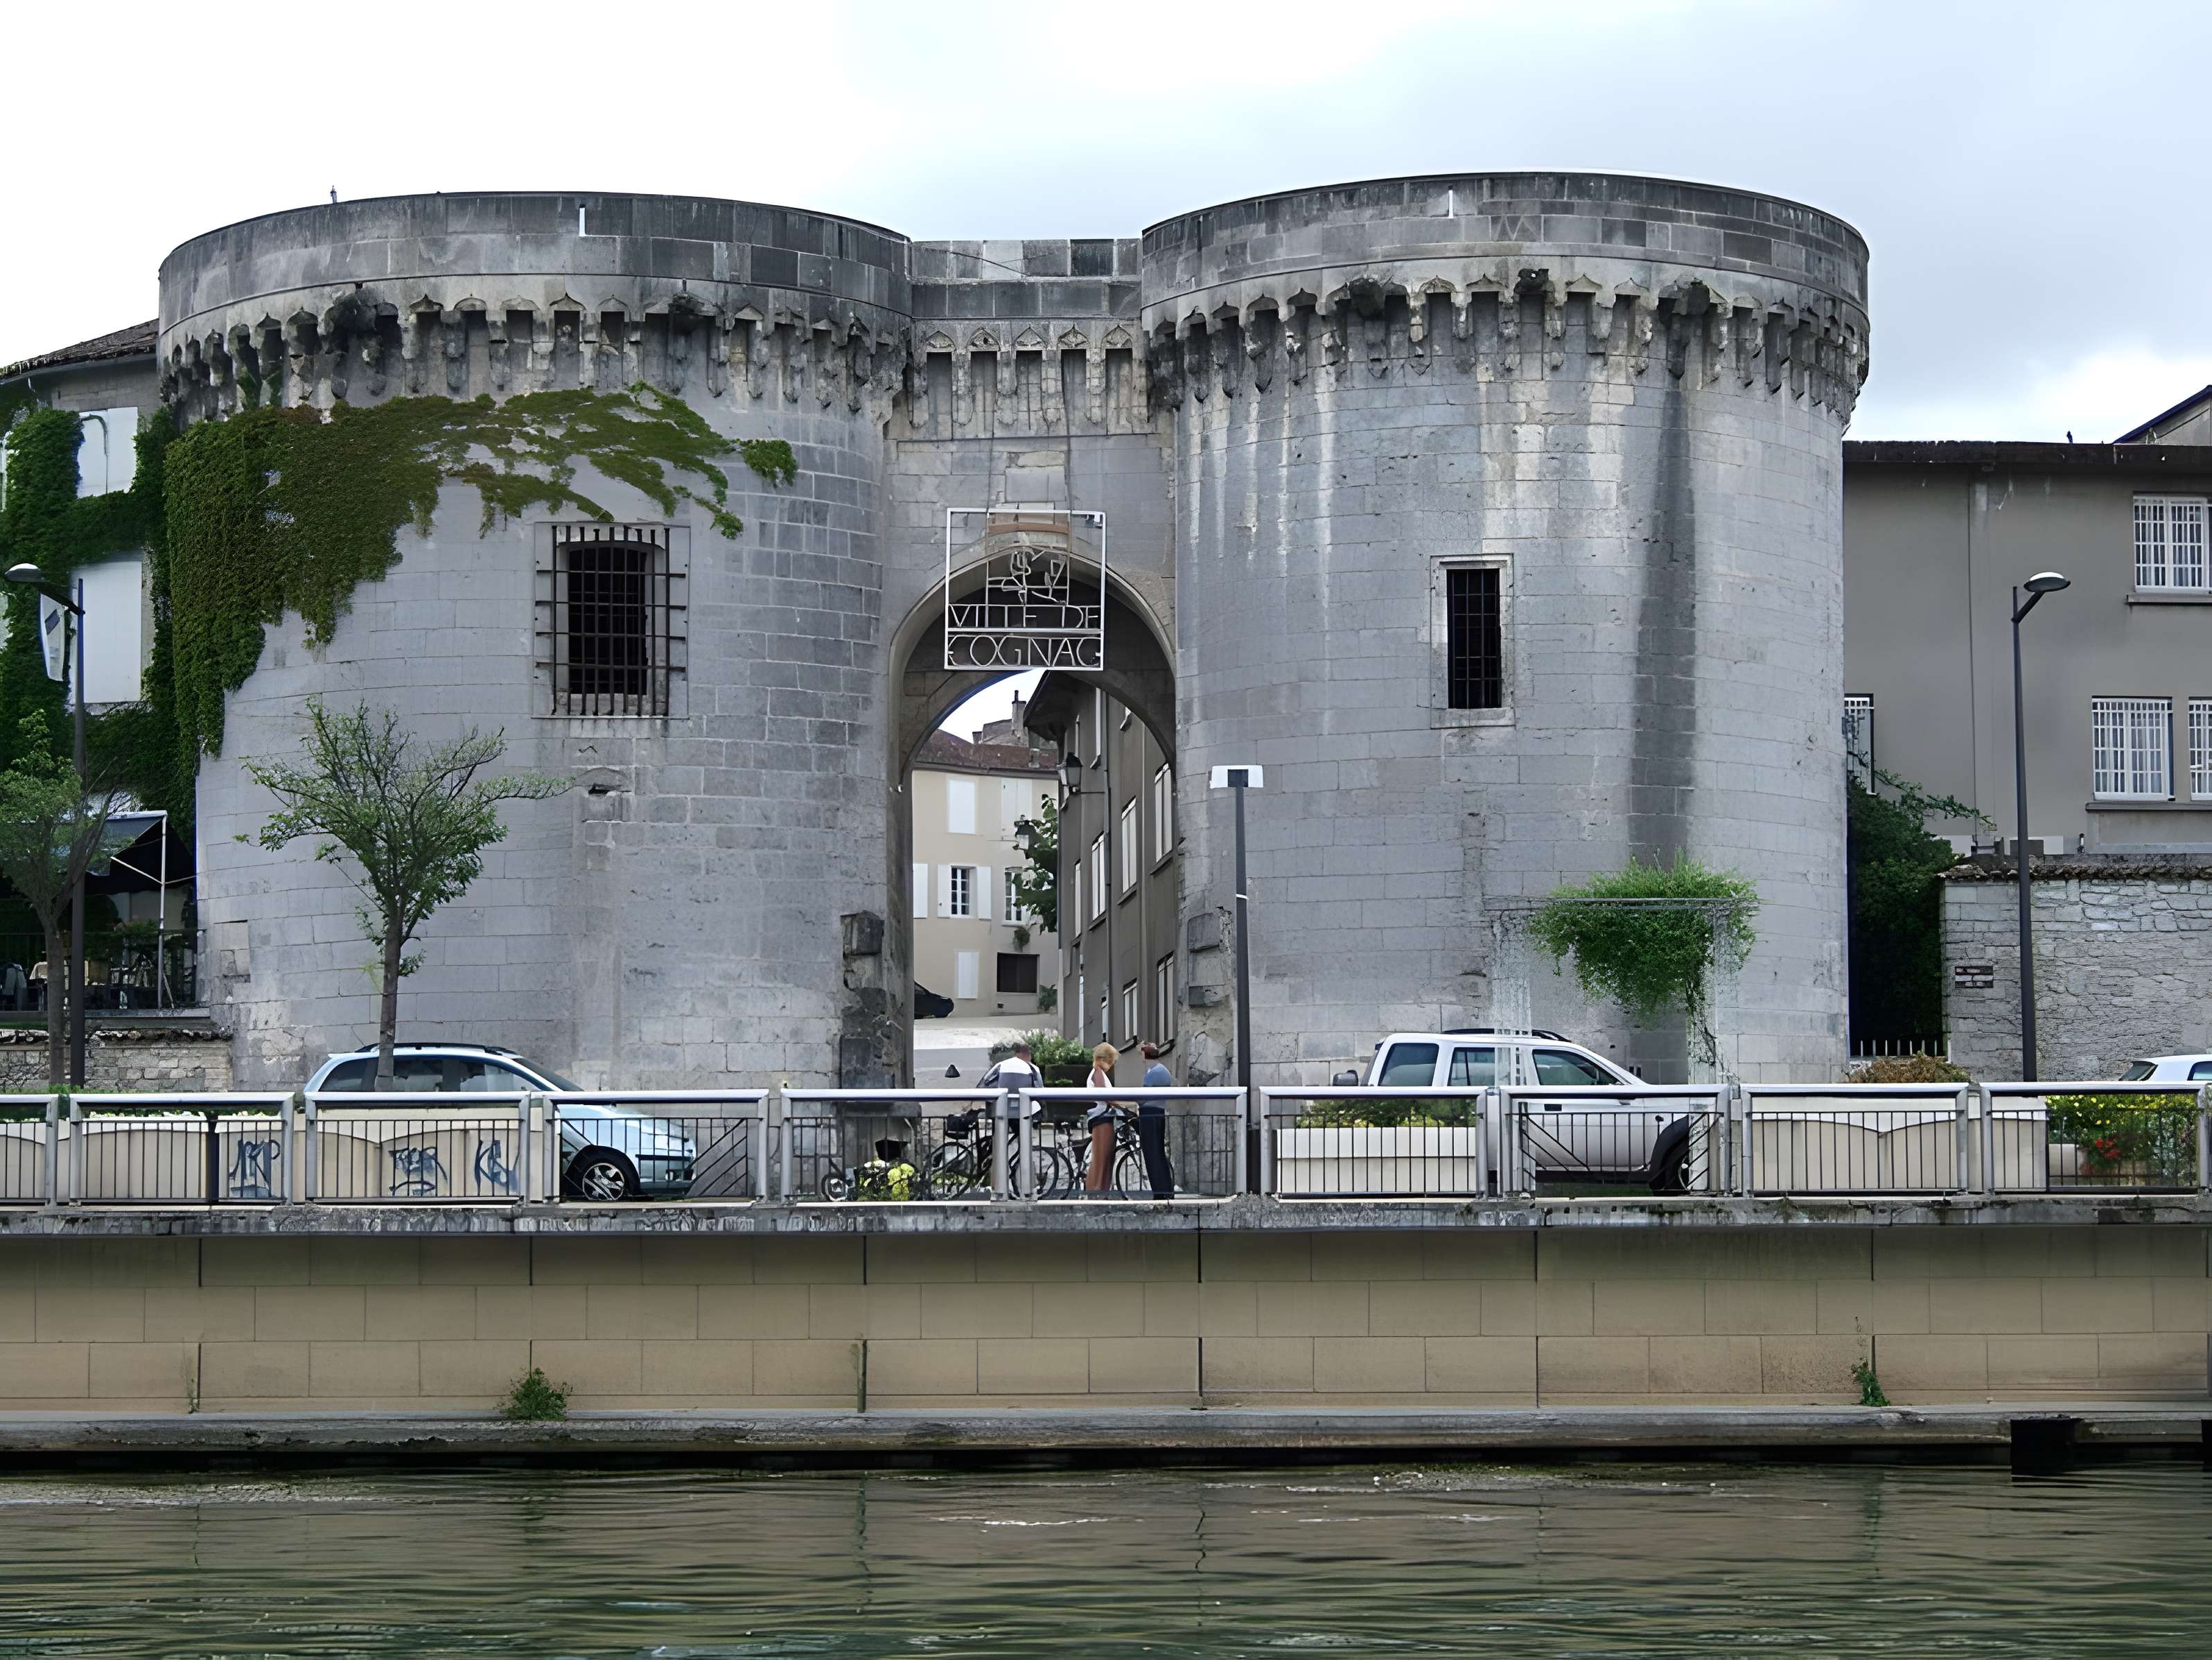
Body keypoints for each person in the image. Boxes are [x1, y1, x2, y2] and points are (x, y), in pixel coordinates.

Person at [1136, 1041, 1176, 1199]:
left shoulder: (1155, 1072)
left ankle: (1161, 1192)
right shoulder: (1158, 1070)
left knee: (1153, 1154)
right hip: (1154, 1113)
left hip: (1150, 1114)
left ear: (1146, 1055)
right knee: (1155, 1153)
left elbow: (1144, 1096)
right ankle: (1162, 1191)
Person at [1085, 1042, 1121, 1194]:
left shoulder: (1096, 1073)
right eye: (1111, 1061)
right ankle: (1097, 1191)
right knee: (1102, 1157)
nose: (1111, 1065)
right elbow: (1104, 1095)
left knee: (1102, 1157)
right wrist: (1122, 1105)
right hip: (1102, 1119)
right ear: (1104, 1059)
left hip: (1101, 1118)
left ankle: (1098, 1190)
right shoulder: (1098, 1073)